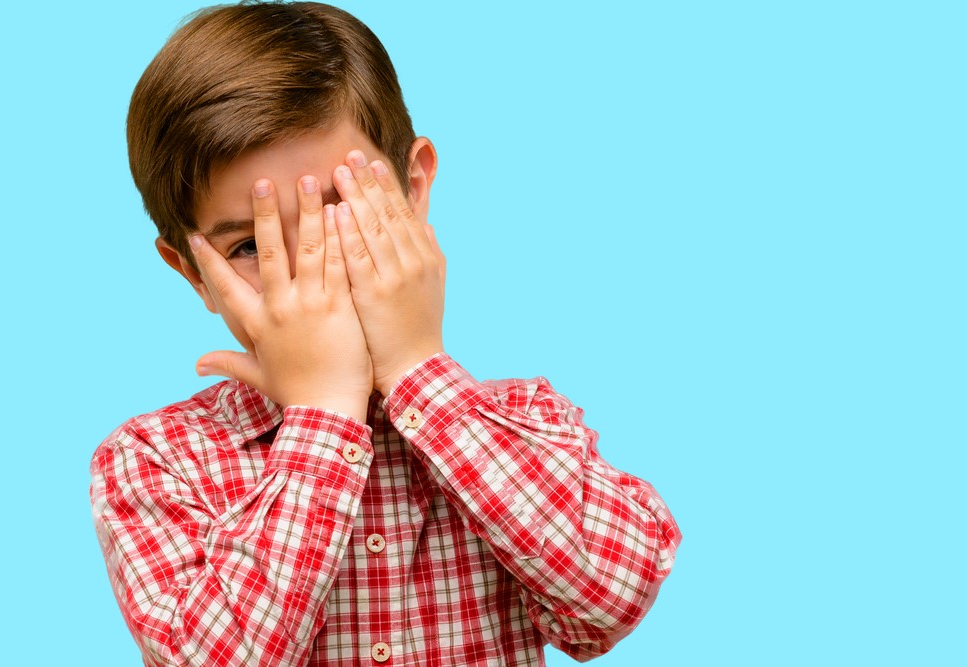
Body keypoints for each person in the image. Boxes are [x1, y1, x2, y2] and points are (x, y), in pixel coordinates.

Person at [89, 2, 681, 665]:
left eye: (337, 209)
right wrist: (321, 415)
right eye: (252, 245)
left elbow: (614, 598)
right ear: (193, 270)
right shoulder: (156, 460)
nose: (308, 271)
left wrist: (416, 367)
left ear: (414, 183)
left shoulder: (519, 426)